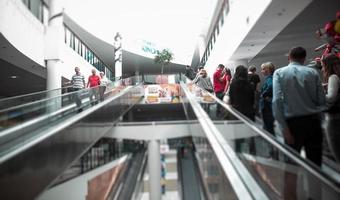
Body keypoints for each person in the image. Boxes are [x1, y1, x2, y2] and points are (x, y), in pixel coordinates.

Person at [273, 46, 326, 166]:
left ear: (289, 58)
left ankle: (292, 185)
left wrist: (284, 128)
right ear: (304, 59)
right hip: (313, 122)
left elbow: (277, 101)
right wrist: (320, 122)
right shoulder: (313, 73)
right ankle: (314, 185)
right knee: (315, 164)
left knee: (291, 165)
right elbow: (322, 101)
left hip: (292, 124)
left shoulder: (279, 73)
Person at [321, 54, 340, 162]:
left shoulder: (333, 77)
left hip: (334, 120)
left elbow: (331, 98)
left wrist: (319, 94)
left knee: (337, 152)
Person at [259, 62, 275, 135]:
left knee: (268, 127)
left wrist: (263, 94)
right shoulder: (271, 77)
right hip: (267, 105)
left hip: (267, 106)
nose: (261, 71)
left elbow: (271, 86)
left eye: (263, 69)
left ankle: (273, 144)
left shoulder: (270, 78)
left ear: (268, 69)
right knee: (268, 126)